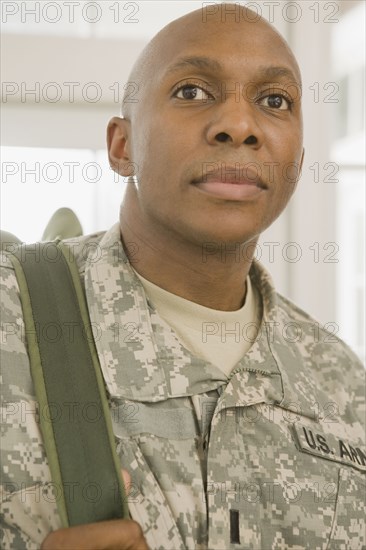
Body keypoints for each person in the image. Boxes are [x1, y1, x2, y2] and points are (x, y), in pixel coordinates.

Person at [1, 4, 365, 549]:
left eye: (274, 101)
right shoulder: (14, 322)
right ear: (122, 147)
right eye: (192, 91)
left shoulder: (343, 384)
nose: (239, 126)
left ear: (298, 159)